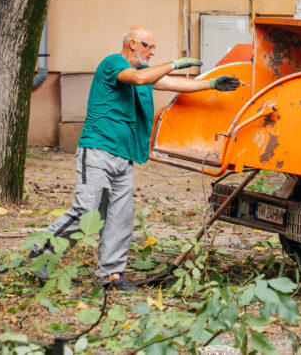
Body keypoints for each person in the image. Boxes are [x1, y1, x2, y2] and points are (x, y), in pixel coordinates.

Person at [28, 26, 240, 290]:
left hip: (124, 156)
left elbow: (173, 83)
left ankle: (110, 277)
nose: (153, 52)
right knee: (85, 210)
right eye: (149, 46)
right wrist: (173, 63)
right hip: (98, 151)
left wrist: (211, 83)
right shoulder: (114, 63)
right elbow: (138, 79)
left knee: (120, 218)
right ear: (133, 44)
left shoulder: (145, 73)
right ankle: (40, 255)